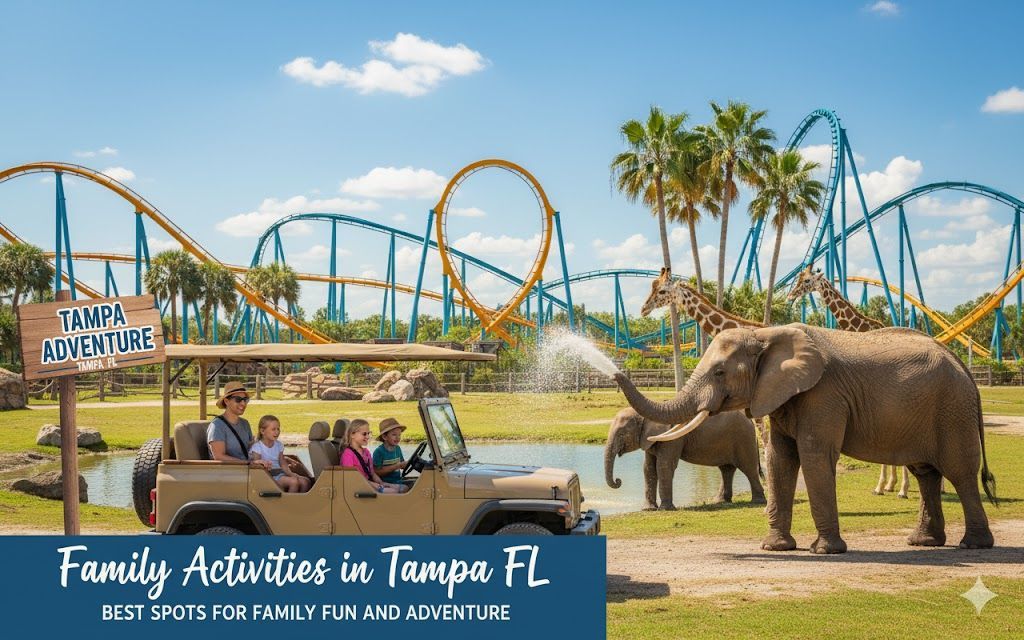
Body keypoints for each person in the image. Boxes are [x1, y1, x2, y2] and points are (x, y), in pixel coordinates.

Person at [208, 382, 270, 471]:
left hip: (248, 470)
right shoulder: (217, 426)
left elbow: (251, 450)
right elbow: (219, 456)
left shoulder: (245, 423)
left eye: (245, 399)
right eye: (238, 399)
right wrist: (249, 464)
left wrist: (276, 459)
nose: (243, 403)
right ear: (226, 401)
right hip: (230, 473)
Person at [340, 419, 406, 494]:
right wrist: (375, 486)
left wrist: (382, 483)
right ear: (352, 435)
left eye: (369, 433)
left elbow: (372, 473)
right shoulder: (348, 454)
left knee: (402, 488)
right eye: (364, 434)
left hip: (369, 484)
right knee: (394, 491)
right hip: (359, 488)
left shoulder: (366, 452)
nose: (368, 437)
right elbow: (351, 478)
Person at [250, 415, 311, 493]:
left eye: (278, 429)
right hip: (268, 477)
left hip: (279, 474)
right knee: (294, 482)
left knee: (305, 481)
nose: (277, 432)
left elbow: (283, 464)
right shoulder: (257, 447)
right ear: (262, 431)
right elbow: (256, 466)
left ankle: (300, 504)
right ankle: (288, 504)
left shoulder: (279, 445)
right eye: (273, 429)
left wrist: (292, 474)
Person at [373, 417, 408, 485]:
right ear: (384, 437)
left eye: (399, 435)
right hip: (386, 484)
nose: (398, 438)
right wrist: (397, 466)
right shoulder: (379, 452)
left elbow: (402, 464)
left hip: (398, 481)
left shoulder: (398, 448)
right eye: (394, 435)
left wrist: (409, 463)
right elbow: (377, 472)